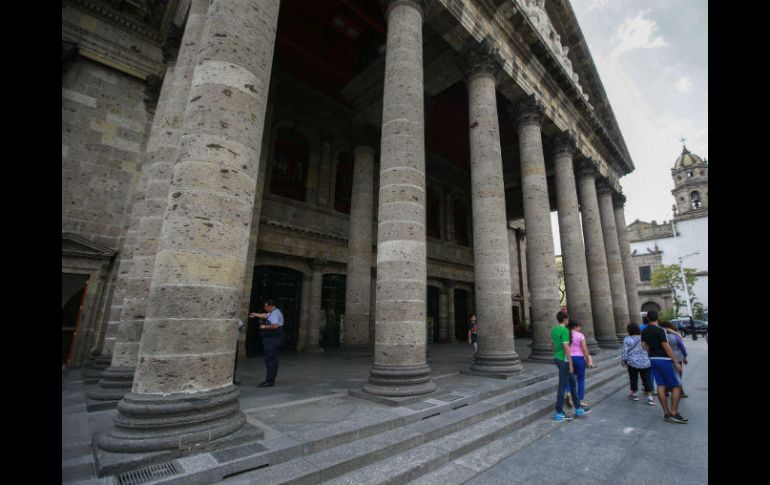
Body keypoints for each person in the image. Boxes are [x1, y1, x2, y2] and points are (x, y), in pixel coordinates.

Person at [641, 310, 687, 424]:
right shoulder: (660, 330)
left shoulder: (645, 331)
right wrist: (676, 362)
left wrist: (651, 351)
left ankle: (666, 413)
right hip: (664, 360)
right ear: (657, 318)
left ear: (647, 318)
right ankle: (674, 413)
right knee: (677, 385)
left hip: (653, 359)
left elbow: (643, 345)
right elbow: (666, 346)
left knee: (661, 385)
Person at [551, 311, 590, 421]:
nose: (568, 321)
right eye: (567, 319)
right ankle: (559, 412)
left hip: (558, 358)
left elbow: (552, 344)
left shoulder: (554, 329)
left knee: (572, 382)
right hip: (564, 360)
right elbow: (566, 347)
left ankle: (578, 408)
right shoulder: (565, 330)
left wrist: (555, 354)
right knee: (562, 386)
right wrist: (570, 363)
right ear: (565, 319)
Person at [249, 299, 285, 388]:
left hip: (273, 340)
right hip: (273, 339)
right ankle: (271, 379)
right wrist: (255, 314)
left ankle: (269, 381)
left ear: (270, 306)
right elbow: (266, 315)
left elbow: (275, 326)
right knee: (272, 359)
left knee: (271, 360)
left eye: (266, 306)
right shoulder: (274, 312)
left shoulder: (275, 314)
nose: (265, 308)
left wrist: (264, 326)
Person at [621, 322, 656, 405]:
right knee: (646, 379)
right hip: (645, 361)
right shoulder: (644, 337)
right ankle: (650, 397)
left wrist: (624, 360)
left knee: (633, 378)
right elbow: (649, 348)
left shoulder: (627, 339)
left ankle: (634, 394)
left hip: (632, 362)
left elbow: (625, 350)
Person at [564, 320, 594, 409]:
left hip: (568, 358)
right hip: (579, 358)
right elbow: (584, 349)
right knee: (581, 379)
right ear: (575, 326)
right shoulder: (580, 335)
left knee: (569, 379)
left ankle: (569, 394)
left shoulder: (566, 334)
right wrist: (588, 359)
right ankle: (580, 400)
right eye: (579, 326)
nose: (580, 328)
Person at [661, 321, 689, 398]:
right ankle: (680, 392)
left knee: (666, 375)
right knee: (678, 375)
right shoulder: (675, 337)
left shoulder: (661, 337)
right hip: (677, 358)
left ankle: (666, 391)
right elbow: (682, 347)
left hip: (666, 358)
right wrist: (684, 357)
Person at [233, 319, 244, 385]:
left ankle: (232, 378)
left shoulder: (237, 320)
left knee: (234, 362)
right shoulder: (237, 320)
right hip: (233, 341)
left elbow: (241, 327)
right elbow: (241, 328)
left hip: (234, 340)